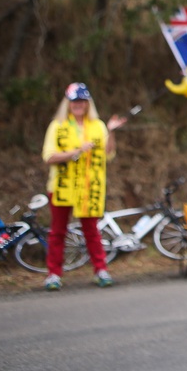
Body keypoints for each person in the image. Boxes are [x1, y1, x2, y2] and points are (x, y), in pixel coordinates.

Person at [41, 82, 127, 291]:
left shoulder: (97, 125)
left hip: (89, 186)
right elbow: (49, 156)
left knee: (92, 230)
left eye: (82, 101)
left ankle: (100, 269)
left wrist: (111, 131)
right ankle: (54, 274)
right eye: (74, 101)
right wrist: (76, 152)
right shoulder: (58, 125)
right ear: (68, 104)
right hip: (63, 186)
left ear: (88, 103)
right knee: (58, 231)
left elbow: (108, 153)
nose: (78, 105)